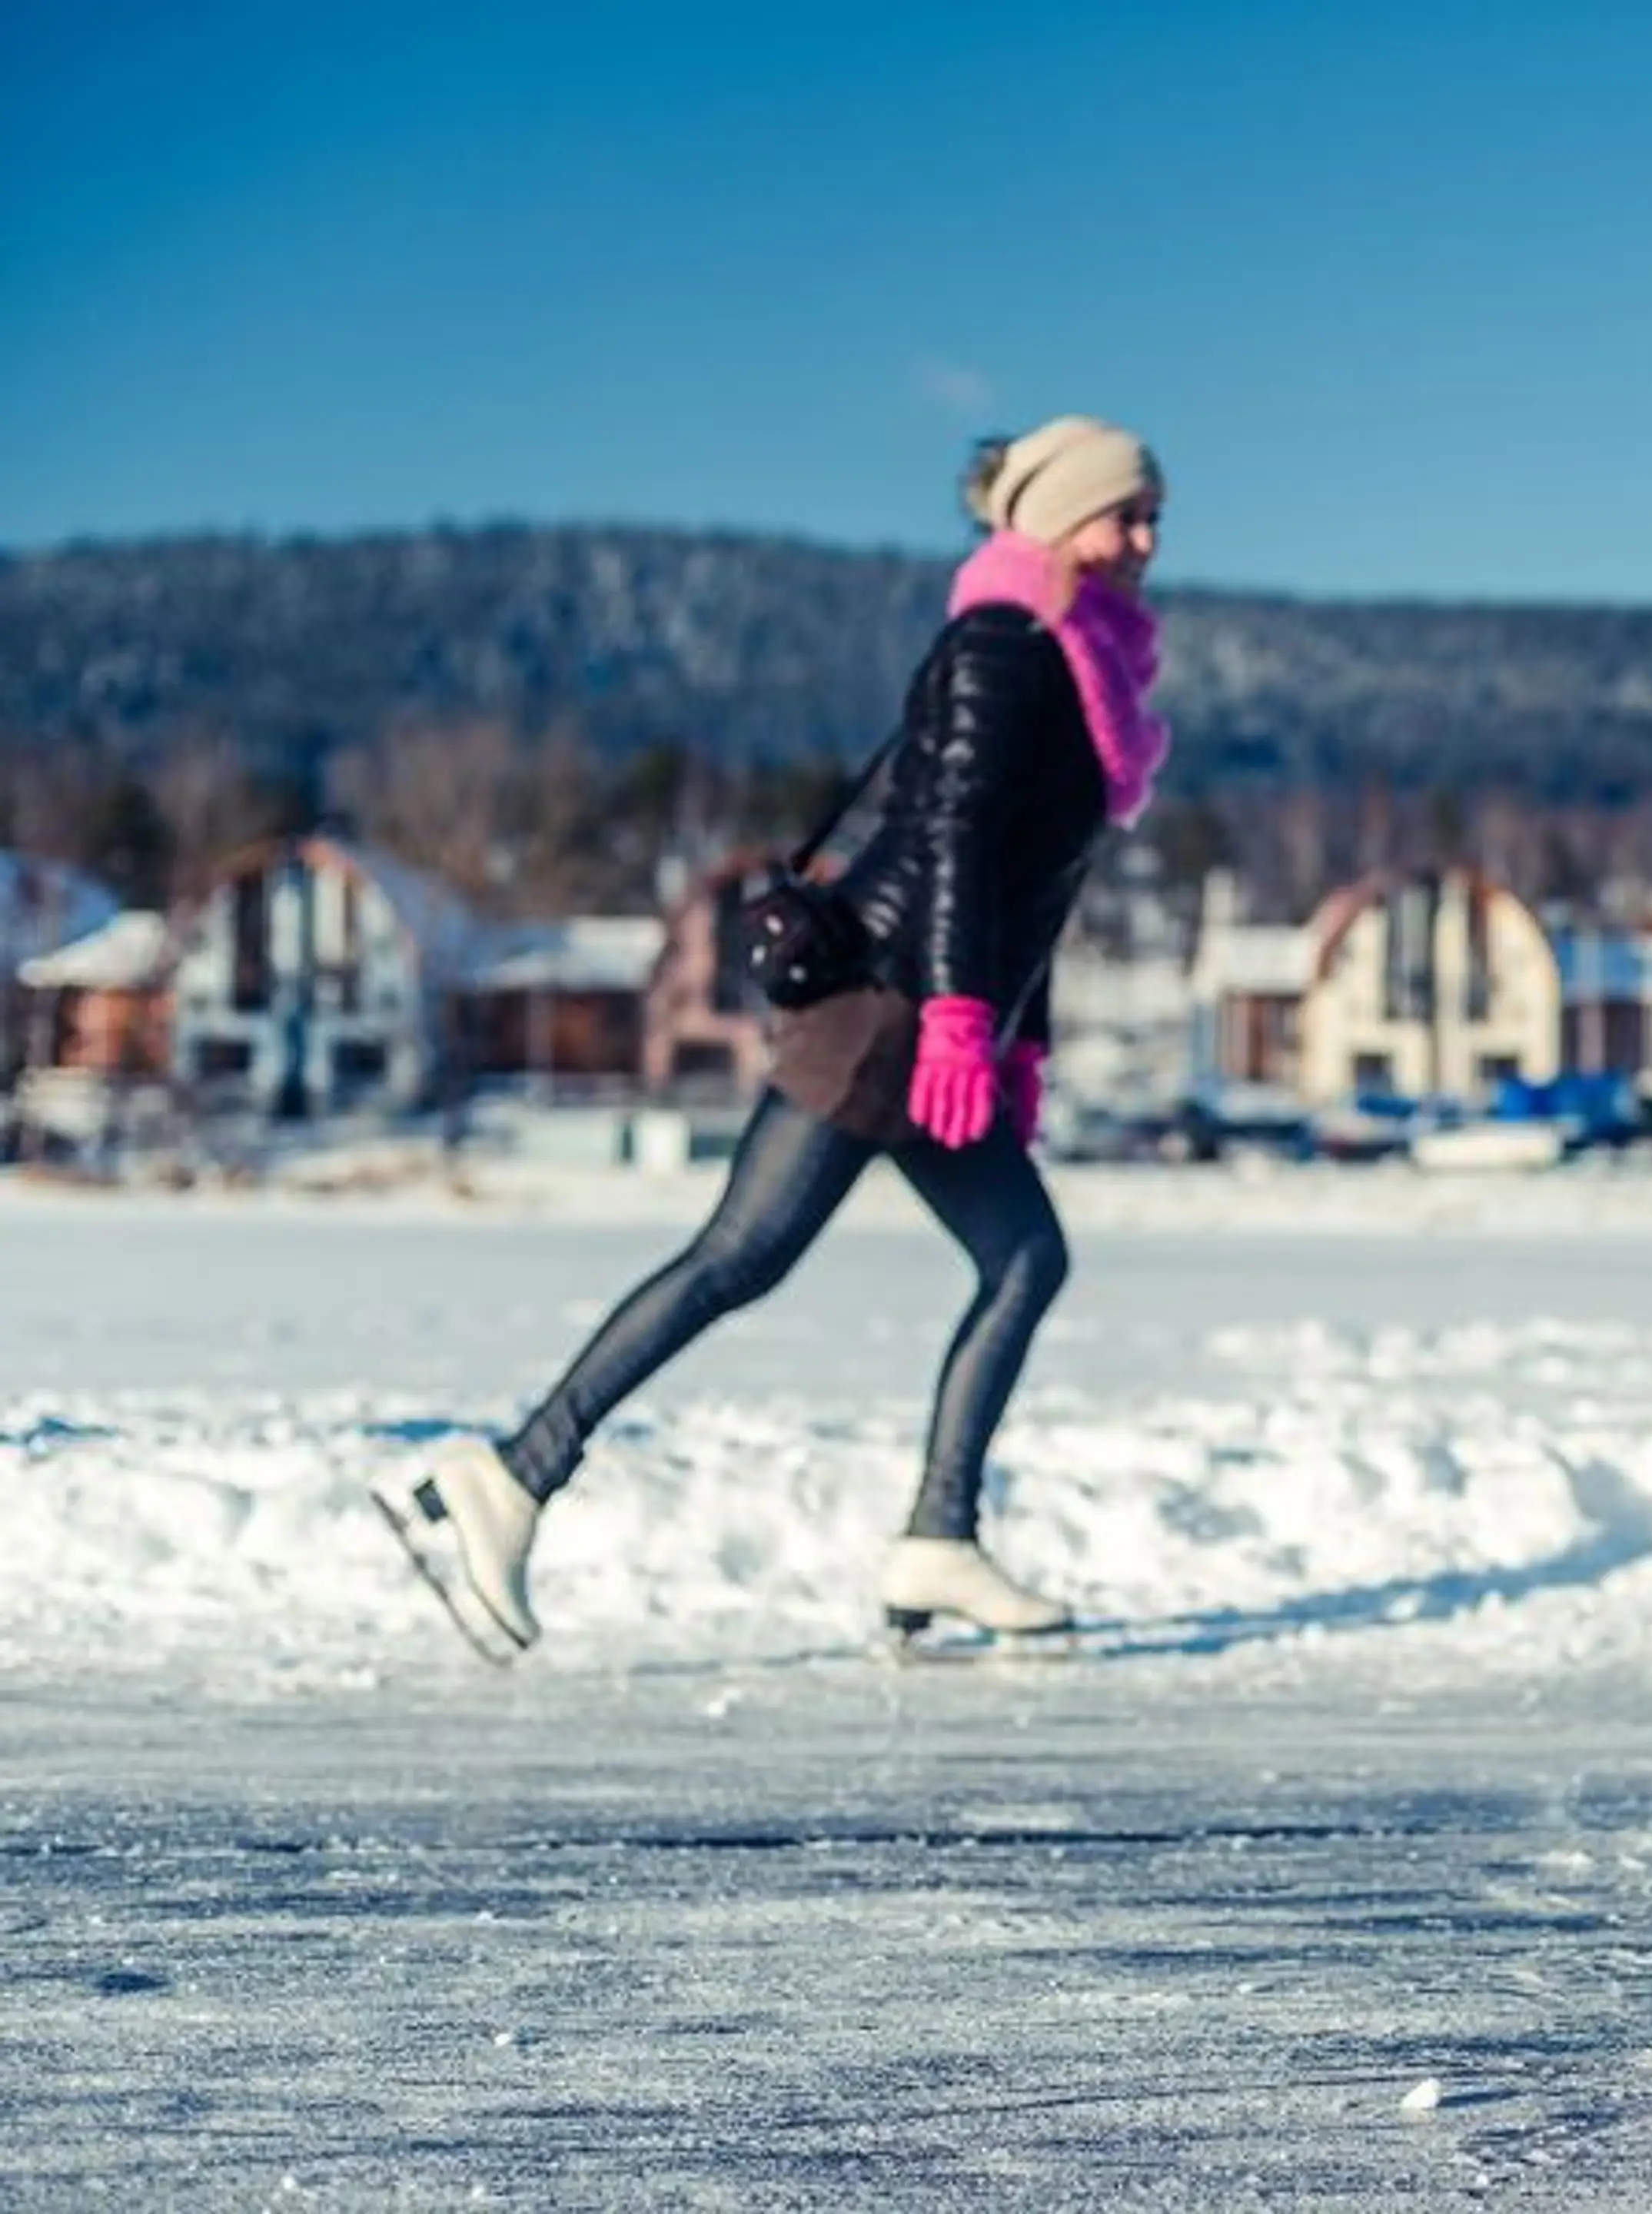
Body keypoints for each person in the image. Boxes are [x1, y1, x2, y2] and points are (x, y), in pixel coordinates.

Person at [376, 414, 1169, 1661]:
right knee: (741, 1256)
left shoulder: (1080, 668)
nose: (1142, 540)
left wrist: (1017, 1042)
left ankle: (939, 1538)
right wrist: (964, 1015)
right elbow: (958, 844)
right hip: (886, 1016)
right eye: (1120, 514)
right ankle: (511, 1479)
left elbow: (1039, 884)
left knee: (1024, 1256)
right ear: (1053, 518)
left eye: (1151, 518)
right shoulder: (1006, 646)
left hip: (944, 1024)